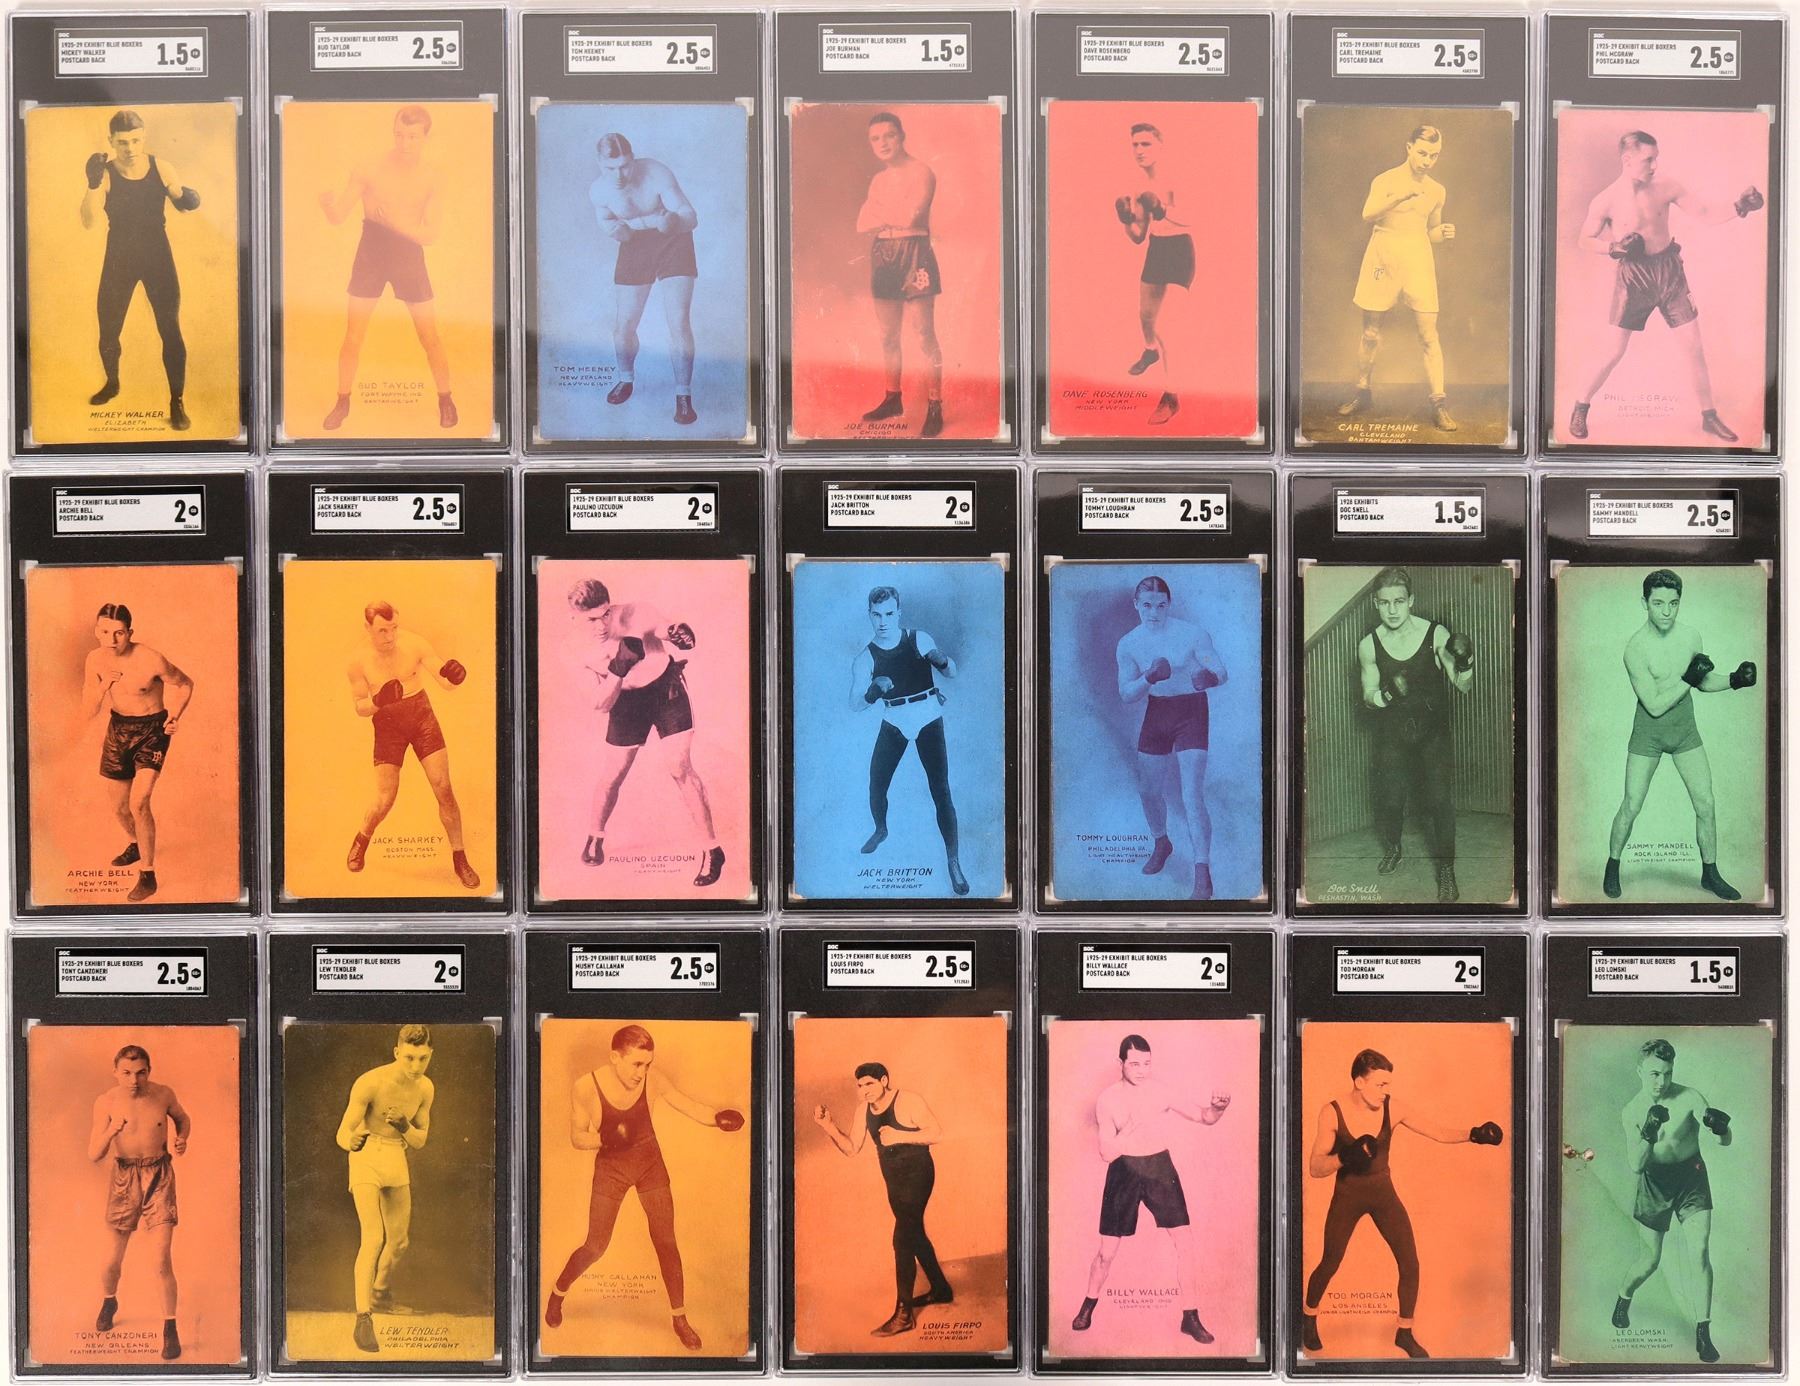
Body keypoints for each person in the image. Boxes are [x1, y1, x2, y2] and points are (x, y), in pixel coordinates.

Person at [543, 1025, 745, 1348]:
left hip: (649, 1164)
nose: (642, 1072)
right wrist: (604, 1138)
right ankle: (558, 1293)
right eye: (636, 1064)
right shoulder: (586, 1087)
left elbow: (687, 1104)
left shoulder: (653, 1080)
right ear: (615, 1057)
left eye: (648, 1064)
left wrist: (717, 1118)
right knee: (595, 1246)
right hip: (612, 1169)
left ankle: (679, 1318)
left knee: (666, 1241)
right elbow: (577, 1136)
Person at [1301, 1048, 1505, 1359]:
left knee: (1410, 1263)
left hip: (1383, 1194)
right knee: (1331, 1261)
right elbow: (1315, 1168)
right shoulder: (1332, 1112)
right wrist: (1345, 1156)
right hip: (1348, 1195)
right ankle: (1308, 1318)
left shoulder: (1392, 1108)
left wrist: (1474, 1134)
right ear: (1359, 1082)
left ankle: (1404, 1333)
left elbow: (1437, 1132)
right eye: (1380, 1084)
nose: (1385, 1092)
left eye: (1388, 1085)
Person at [1568, 130, 1764, 444]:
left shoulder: (1666, 186)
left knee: (1693, 346)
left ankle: (1709, 416)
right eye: (1648, 159)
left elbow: (1705, 214)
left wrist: (1739, 206)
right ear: (1627, 159)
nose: (1654, 165)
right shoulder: (1606, 200)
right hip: (1634, 277)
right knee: (1613, 350)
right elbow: (1584, 240)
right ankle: (1581, 406)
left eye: (1656, 158)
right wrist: (1612, 248)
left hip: (1670, 272)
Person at [1603, 569, 1757, 902]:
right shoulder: (1635, 649)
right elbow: (1655, 705)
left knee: (1706, 802)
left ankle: (1710, 874)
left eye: (1673, 603)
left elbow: (1702, 681)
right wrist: (1689, 678)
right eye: (1658, 603)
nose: (1666, 611)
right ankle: (1612, 865)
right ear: (1644, 603)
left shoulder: (1690, 636)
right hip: (1649, 732)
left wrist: (1734, 680)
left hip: (1685, 730)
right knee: (1631, 804)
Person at [1070, 1034, 1230, 1343]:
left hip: (1159, 1168)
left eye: (1146, 1063)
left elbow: (1204, 1117)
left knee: (1185, 1243)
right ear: (1120, 1063)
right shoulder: (1108, 1099)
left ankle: (1190, 1317)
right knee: (1106, 1253)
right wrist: (1130, 1131)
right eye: (1134, 1064)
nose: (1142, 1070)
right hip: (1124, 1171)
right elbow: (1106, 1152)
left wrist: (1218, 1108)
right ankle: (1088, 1305)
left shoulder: (1161, 1091)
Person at [564, 579, 724, 888]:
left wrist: (677, 633)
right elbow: (600, 704)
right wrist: (618, 669)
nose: (601, 625)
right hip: (624, 702)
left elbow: (666, 629)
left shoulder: (635, 612)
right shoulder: (572, 650)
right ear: (574, 617)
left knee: (680, 768)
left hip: (666, 691)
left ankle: (712, 850)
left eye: (605, 614)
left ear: (611, 606)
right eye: (591, 619)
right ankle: (595, 836)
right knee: (613, 774)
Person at [317, 105, 457, 432]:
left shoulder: (432, 177)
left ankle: (446, 399)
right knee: (353, 335)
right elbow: (338, 216)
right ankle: (342, 401)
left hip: (408, 255)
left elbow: (431, 235)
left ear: (425, 138)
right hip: (371, 253)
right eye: (399, 135)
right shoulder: (369, 167)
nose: (404, 142)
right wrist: (327, 204)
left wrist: (394, 222)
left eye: (412, 137)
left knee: (429, 335)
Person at [1354, 567, 1474, 903]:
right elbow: (1369, 696)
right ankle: (1394, 847)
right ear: (1375, 604)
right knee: (1391, 801)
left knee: (1439, 800)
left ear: (1411, 601)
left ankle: (1446, 870)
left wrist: (1465, 661)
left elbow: (1462, 686)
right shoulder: (1369, 645)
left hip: (1432, 734)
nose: (1392, 610)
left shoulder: (1435, 634)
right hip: (1392, 735)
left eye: (1399, 601)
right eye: (1384, 603)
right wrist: (1388, 694)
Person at [344, 601, 480, 890]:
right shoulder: (357, 660)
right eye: (382, 631)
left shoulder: (414, 643)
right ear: (367, 628)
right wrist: (379, 701)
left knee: (444, 788)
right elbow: (359, 707)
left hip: (421, 717)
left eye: (393, 628)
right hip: (387, 723)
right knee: (385, 798)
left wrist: (454, 676)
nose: (390, 636)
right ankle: (361, 839)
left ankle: (460, 858)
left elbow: (444, 680)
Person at [79, 109, 201, 431]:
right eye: (122, 142)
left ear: (143, 137)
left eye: (135, 141)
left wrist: (186, 198)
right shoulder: (106, 173)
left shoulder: (161, 167)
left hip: (157, 255)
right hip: (119, 257)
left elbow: (183, 205)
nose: (130, 148)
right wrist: (92, 184)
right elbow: (88, 221)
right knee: (108, 329)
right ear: (111, 141)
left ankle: (176, 401)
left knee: (170, 328)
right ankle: (112, 383)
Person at [1612, 1038, 1732, 1364]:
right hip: (1655, 1182)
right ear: (1640, 1071)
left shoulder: (1690, 1096)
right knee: (1649, 1260)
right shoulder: (1632, 1111)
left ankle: (1703, 1332)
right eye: (1654, 1074)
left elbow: (1723, 1141)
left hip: (1692, 1177)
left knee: (1700, 1251)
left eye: (1667, 1073)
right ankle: (1624, 1297)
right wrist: (1649, 1130)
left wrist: (1721, 1128)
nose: (1661, 1081)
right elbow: (1635, 1165)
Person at [812, 1062, 953, 1337]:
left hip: (918, 1174)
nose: (864, 1090)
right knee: (913, 1232)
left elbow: (937, 1133)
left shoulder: (908, 1100)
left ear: (884, 1080)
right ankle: (940, 1289)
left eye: (869, 1083)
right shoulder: (863, 1110)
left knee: (902, 1238)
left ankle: (904, 1314)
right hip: (894, 1181)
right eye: (860, 1085)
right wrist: (828, 1126)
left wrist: (899, 1135)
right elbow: (852, 1149)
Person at [1336, 126, 1459, 433]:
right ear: (1408, 147)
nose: (1427, 161)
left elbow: (1430, 232)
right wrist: (1398, 197)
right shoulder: (1386, 180)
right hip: (1382, 255)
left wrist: (1442, 233)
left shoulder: (1437, 190)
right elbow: (1367, 214)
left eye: (1434, 156)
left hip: (1417, 256)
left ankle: (1439, 403)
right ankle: (1362, 392)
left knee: (1429, 335)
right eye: (1422, 153)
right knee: (1371, 332)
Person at [849, 585, 967, 895]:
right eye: (877, 615)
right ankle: (881, 829)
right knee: (876, 783)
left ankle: (954, 862)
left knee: (941, 790)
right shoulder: (865, 658)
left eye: (889, 614)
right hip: (895, 717)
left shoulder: (919, 638)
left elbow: (952, 673)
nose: (883, 621)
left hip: (927, 714)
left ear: (898, 613)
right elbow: (854, 704)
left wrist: (942, 661)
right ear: (869, 615)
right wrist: (873, 691)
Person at [1115, 577, 1227, 900]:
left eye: (1161, 605)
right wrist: (1149, 677)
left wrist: (1207, 678)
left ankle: (1202, 870)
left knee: (1191, 794)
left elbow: (1221, 671)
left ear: (1169, 604)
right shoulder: (1128, 643)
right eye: (1147, 605)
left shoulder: (1192, 634)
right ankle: (1162, 842)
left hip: (1191, 710)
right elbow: (1126, 694)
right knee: (1148, 791)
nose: (1154, 613)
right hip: (1158, 711)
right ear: (1136, 605)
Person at [83, 602, 194, 903]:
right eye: (105, 632)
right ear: (96, 631)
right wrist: (103, 686)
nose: (111, 639)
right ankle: (136, 843)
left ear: (129, 633)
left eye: (119, 633)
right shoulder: (94, 660)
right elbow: (88, 710)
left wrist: (175, 716)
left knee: (139, 802)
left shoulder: (150, 658)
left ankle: (148, 874)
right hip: (118, 730)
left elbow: (185, 684)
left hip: (152, 730)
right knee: (120, 808)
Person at [334, 1025, 435, 1354]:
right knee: (373, 1238)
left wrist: (404, 1125)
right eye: (409, 1058)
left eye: (422, 1058)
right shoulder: (371, 1082)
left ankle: (380, 1291)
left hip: (395, 1155)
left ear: (429, 1055)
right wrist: (350, 1141)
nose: (415, 1066)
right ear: (396, 1052)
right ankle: (363, 1318)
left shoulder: (425, 1088)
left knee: (400, 1241)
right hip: (366, 1156)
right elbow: (342, 1132)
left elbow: (420, 1141)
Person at [587, 133, 701, 426]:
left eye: (625, 166)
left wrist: (673, 221)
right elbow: (611, 226)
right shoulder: (598, 191)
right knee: (623, 326)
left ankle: (683, 395)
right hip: (635, 244)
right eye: (610, 168)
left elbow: (690, 216)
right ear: (599, 163)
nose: (619, 175)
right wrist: (618, 231)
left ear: (633, 159)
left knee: (678, 322)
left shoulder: (656, 172)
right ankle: (626, 379)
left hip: (673, 239)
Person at [88, 1044, 191, 1361]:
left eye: (141, 1072)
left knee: (161, 1260)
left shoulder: (163, 1094)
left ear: (149, 1071)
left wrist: (182, 1138)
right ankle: (109, 1300)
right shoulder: (106, 1101)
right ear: (115, 1072)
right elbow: (94, 1154)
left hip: (159, 1176)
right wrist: (111, 1130)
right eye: (127, 1073)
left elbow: (183, 1118)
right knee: (111, 1260)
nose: (134, 1080)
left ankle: (170, 1327)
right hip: (124, 1179)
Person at [855, 113, 944, 439]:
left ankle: (935, 405)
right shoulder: (878, 181)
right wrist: (890, 214)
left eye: (889, 135)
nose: (883, 143)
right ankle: (893, 399)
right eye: (875, 138)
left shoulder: (921, 171)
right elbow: (861, 223)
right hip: (883, 254)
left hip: (914, 252)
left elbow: (909, 217)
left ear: (902, 136)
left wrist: (881, 212)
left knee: (923, 333)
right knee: (887, 335)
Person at [1112, 123, 1193, 424]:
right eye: (1135, 144)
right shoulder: (1138, 187)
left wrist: (1161, 210)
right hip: (1156, 249)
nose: (1139, 150)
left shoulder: (1176, 177)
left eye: (1146, 144)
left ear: (1160, 145)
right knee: (1145, 316)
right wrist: (1125, 220)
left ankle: (1171, 396)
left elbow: (1192, 218)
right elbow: (1138, 236)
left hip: (1180, 251)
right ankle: (1150, 352)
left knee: (1165, 327)